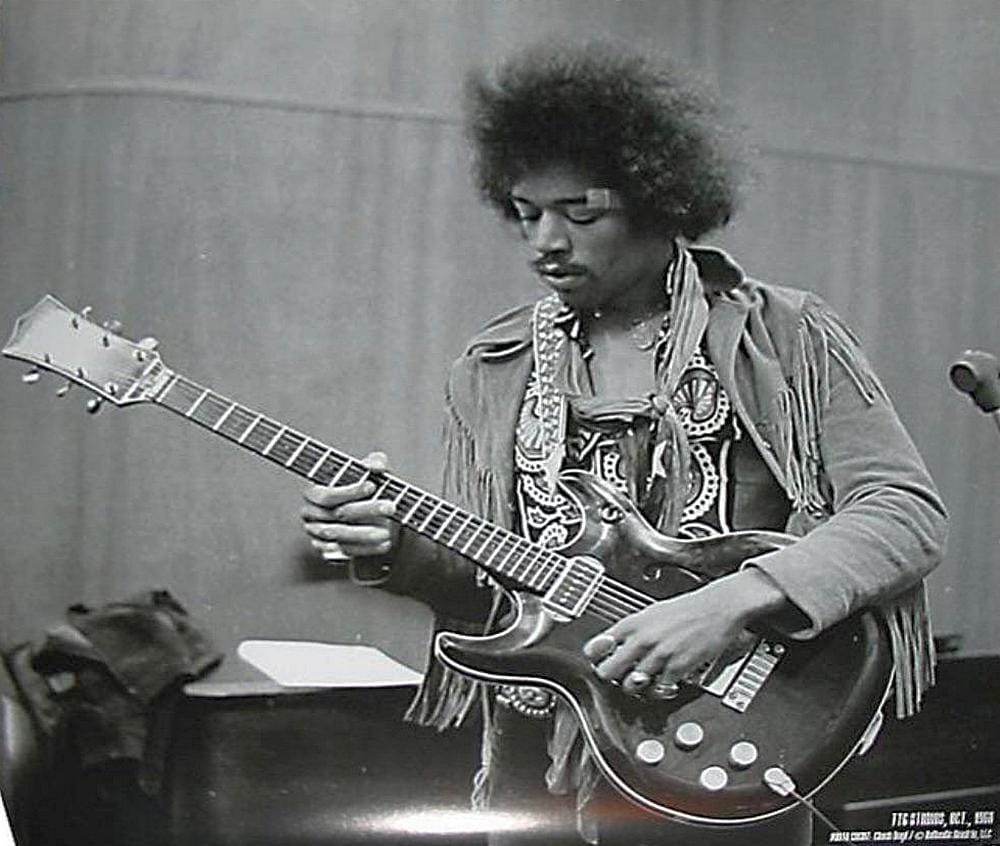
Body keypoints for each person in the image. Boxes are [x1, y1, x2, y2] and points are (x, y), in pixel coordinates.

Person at [299, 42, 948, 846]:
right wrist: (395, 549)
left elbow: (904, 513)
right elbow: (491, 588)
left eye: (581, 213)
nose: (545, 241)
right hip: (541, 766)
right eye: (527, 213)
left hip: (727, 756)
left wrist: (727, 602)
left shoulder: (787, 336)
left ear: (658, 198)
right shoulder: (491, 368)